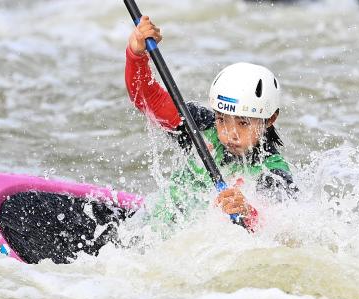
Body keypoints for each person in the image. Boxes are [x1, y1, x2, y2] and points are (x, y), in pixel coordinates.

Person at [125, 16, 296, 232]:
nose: (230, 134)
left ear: (270, 119)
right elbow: (148, 100)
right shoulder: (201, 128)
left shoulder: (272, 173)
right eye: (222, 119)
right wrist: (137, 54)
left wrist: (248, 212)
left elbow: (284, 231)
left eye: (243, 123)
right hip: (151, 235)